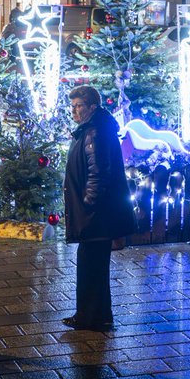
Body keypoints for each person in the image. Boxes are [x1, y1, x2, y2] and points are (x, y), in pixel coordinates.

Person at [62, 85, 134, 332]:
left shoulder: (94, 132)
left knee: (90, 264)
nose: (74, 111)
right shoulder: (94, 128)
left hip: (95, 214)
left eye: (79, 106)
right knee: (93, 265)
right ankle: (97, 315)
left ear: (92, 106)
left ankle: (89, 317)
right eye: (72, 106)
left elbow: (98, 172)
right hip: (96, 213)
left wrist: (87, 204)